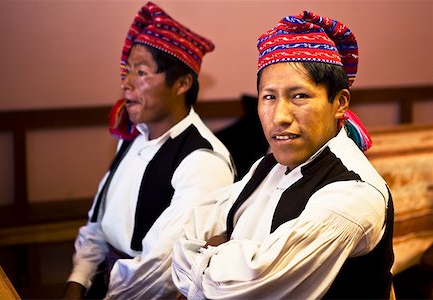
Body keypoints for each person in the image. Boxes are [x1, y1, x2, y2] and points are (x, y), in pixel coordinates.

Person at [172, 10, 394, 299]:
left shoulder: (353, 194)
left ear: (339, 103)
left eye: (299, 96)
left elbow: (249, 286)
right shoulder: (267, 166)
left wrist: (216, 253)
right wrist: (228, 259)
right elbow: (187, 235)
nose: (279, 116)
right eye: (269, 97)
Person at [63, 2, 235, 299]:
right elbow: (98, 226)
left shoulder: (203, 163)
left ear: (182, 83)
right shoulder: (133, 136)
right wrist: (78, 282)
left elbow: (160, 271)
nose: (126, 83)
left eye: (141, 72)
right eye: (127, 71)